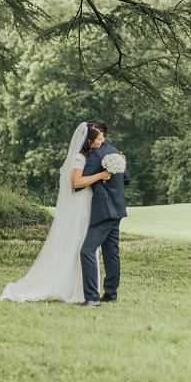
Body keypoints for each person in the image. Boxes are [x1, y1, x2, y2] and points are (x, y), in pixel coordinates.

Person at [0, 122, 111, 303]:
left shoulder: (91, 155)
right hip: (79, 207)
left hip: (86, 205)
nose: (101, 141)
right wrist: (100, 175)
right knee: (77, 243)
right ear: (88, 140)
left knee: (82, 244)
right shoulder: (79, 157)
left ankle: (83, 289)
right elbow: (75, 183)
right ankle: (70, 287)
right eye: (98, 138)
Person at [78, 120, 130, 306]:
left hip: (104, 210)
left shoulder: (95, 155)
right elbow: (126, 178)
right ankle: (111, 293)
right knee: (111, 252)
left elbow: (78, 183)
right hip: (118, 209)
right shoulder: (116, 151)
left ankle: (92, 298)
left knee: (87, 251)